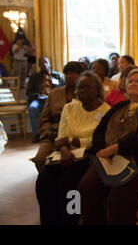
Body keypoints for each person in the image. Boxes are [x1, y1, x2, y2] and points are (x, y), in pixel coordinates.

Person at [35, 71, 110, 225]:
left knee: (68, 184)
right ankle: (50, 220)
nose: (81, 91)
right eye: (79, 87)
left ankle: (70, 220)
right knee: (44, 180)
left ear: (97, 89)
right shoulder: (69, 108)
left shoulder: (106, 111)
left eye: (86, 87)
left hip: (88, 157)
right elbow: (60, 137)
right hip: (64, 153)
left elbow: (98, 141)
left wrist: (71, 140)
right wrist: (65, 151)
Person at [78, 68, 138, 225]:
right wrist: (99, 152)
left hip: (134, 163)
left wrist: (114, 149)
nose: (133, 83)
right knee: (87, 186)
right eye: (130, 80)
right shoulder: (118, 107)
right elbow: (99, 131)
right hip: (106, 159)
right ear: (124, 85)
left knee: (118, 200)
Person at [32, 62, 87, 173]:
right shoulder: (54, 93)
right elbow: (44, 119)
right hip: (53, 134)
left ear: (81, 76)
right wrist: (49, 132)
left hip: (76, 136)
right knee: (40, 159)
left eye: (72, 73)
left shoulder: (86, 94)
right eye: (66, 73)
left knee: (78, 161)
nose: (68, 76)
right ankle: (47, 184)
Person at [27, 57, 65, 143]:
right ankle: (38, 135)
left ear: (50, 64)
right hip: (39, 100)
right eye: (42, 63)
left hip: (54, 100)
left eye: (46, 63)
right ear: (39, 65)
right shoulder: (34, 77)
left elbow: (64, 89)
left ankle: (57, 132)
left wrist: (55, 95)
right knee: (32, 107)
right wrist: (37, 95)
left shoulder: (59, 76)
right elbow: (29, 92)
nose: (44, 65)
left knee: (62, 107)